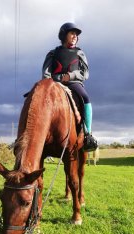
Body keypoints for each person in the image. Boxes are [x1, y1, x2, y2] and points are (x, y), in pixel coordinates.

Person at [42, 22, 98, 152]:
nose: (75, 36)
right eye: (72, 33)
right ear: (64, 35)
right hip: (54, 83)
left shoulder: (80, 53)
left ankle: (88, 134)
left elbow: (85, 73)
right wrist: (49, 83)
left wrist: (70, 76)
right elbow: (46, 72)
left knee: (85, 98)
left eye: (76, 35)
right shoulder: (52, 53)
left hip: (74, 83)